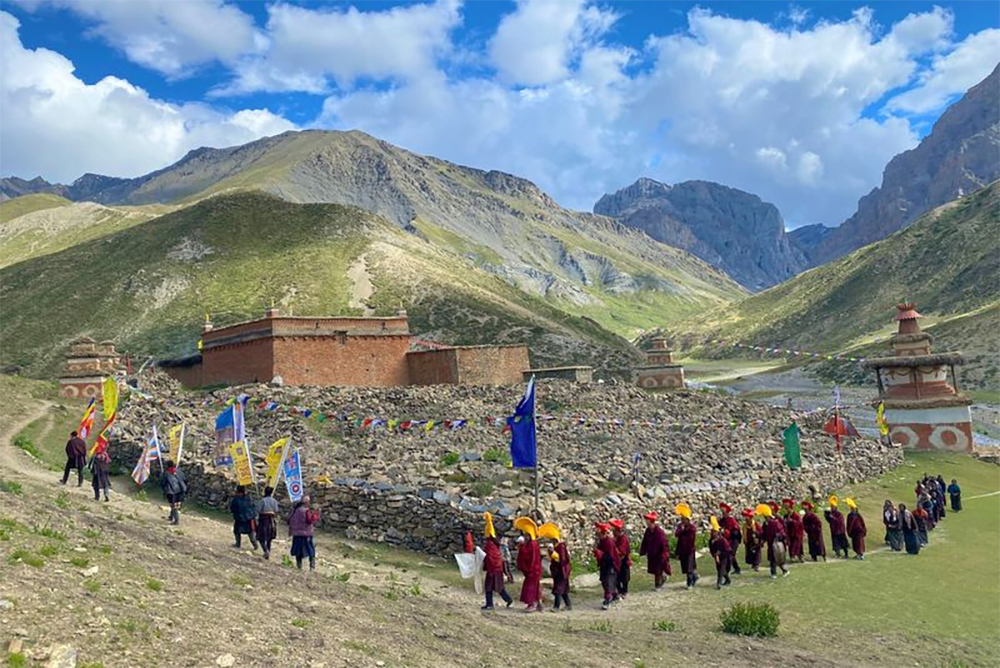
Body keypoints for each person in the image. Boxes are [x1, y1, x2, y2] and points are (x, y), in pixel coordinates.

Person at [481, 513, 513, 611]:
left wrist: (484, 565)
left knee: (489, 587)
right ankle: (508, 599)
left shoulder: (490, 545)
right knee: (499, 586)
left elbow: (489, 557)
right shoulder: (495, 544)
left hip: (493, 569)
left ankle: (490, 604)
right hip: (497, 568)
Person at [514, 518, 543, 612]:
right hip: (534, 570)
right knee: (535, 586)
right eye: (525, 535)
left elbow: (529, 556)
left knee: (531, 587)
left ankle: (532, 604)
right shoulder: (531, 543)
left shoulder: (533, 545)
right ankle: (538, 603)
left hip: (533, 570)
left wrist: (522, 547)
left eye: (527, 535)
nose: (526, 537)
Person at [639, 511, 671, 589]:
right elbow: (645, 541)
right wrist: (642, 551)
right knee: (654, 569)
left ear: (651, 521)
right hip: (651, 554)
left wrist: (664, 554)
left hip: (659, 554)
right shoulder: (648, 531)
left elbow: (664, 544)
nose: (646, 522)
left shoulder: (659, 532)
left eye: (648, 520)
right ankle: (662, 578)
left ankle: (658, 585)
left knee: (658, 570)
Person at [593, 523, 620, 609]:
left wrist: (601, 555)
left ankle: (607, 600)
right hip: (604, 565)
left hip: (611, 565)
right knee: (604, 581)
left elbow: (611, 556)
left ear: (603, 533)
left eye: (599, 534)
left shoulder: (609, 542)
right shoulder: (601, 541)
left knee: (608, 582)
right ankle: (615, 594)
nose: (598, 536)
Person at [288, 495, 319, 570]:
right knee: (311, 550)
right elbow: (309, 520)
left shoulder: (295, 510)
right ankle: (312, 566)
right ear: (307, 503)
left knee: (298, 551)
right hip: (306, 534)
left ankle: (299, 566)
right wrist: (316, 515)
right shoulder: (306, 511)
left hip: (297, 534)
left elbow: (289, 520)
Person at [674, 503, 699, 589]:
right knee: (685, 567)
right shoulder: (680, 527)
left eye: (684, 519)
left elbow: (691, 539)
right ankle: (695, 577)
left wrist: (684, 531)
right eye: (682, 519)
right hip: (682, 550)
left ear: (688, 520)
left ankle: (690, 583)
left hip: (689, 550)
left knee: (689, 567)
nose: (682, 521)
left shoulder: (691, 528)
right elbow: (676, 534)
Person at [761, 504, 789, 578]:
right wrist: (762, 540)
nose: (766, 518)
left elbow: (782, 532)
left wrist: (778, 535)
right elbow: (764, 533)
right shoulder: (765, 524)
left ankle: (784, 570)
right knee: (772, 559)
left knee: (778, 559)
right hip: (770, 544)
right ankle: (773, 573)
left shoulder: (776, 523)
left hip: (777, 544)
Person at [548, 531, 572, 612]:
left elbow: (563, 559)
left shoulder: (561, 546)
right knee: (564, 589)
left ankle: (556, 606)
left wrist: (553, 554)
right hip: (558, 571)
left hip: (562, 571)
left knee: (558, 589)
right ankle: (568, 605)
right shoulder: (556, 546)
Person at [229, 485, 259, 550]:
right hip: (250, 518)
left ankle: (238, 544)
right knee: (251, 533)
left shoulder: (236, 499)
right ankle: (255, 545)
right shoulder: (249, 498)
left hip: (240, 518)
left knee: (237, 531)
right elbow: (253, 507)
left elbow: (233, 508)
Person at [256, 486, 280, 559]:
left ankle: (265, 550)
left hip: (263, 519)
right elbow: (276, 510)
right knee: (269, 537)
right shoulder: (274, 501)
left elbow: (258, 510)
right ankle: (268, 550)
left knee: (261, 536)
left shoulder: (262, 501)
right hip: (271, 520)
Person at [160, 460, 186, 525]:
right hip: (181, 490)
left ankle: (176, 521)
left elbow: (163, 483)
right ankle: (171, 517)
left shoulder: (166, 473)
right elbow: (184, 479)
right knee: (176, 505)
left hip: (171, 491)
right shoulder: (179, 471)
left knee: (173, 506)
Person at [610, 519, 631, 599]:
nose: (613, 533)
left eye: (615, 531)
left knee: (624, 578)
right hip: (617, 561)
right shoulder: (615, 539)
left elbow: (622, 551)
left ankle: (624, 591)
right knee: (617, 577)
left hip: (624, 561)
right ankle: (618, 591)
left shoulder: (623, 539)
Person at [708, 521, 732, 590]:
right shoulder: (711, 541)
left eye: (714, 532)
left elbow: (728, 550)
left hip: (724, 556)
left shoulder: (722, 540)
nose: (713, 533)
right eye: (712, 532)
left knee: (722, 569)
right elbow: (711, 549)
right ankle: (728, 579)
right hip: (717, 556)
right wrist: (714, 554)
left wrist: (720, 553)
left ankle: (718, 583)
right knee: (719, 569)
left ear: (718, 532)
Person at [719, 504, 742, 574]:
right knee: (730, 555)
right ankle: (737, 568)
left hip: (733, 540)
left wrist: (727, 532)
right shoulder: (721, 520)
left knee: (731, 555)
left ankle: (727, 570)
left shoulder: (731, 520)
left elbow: (736, 530)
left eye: (724, 513)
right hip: (726, 541)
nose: (723, 514)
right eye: (722, 513)